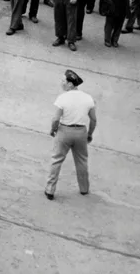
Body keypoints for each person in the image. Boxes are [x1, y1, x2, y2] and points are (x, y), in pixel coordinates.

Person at [45, 69, 97, 200]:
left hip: (64, 131)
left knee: (56, 160)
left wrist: (53, 130)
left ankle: (50, 190)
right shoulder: (88, 98)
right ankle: (84, 188)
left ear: (70, 84)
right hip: (81, 132)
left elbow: (56, 119)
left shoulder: (63, 98)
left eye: (63, 81)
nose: (61, 83)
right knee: (82, 161)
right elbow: (93, 119)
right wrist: (89, 134)